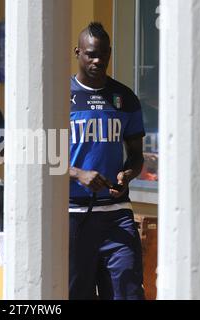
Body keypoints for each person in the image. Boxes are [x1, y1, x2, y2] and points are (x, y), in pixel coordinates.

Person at [68, 22, 146, 300]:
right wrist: (78, 174)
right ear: (77, 52)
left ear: (110, 53)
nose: (97, 61)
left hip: (117, 213)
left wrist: (129, 173)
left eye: (103, 54)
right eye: (90, 54)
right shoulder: (61, 98)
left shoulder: (124, 98)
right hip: (74, 215)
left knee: (128, 291)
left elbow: (136, 155)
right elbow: (45, 157)